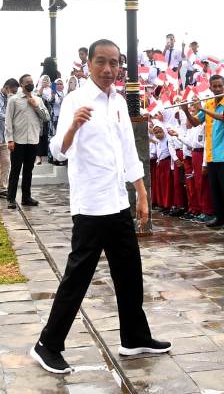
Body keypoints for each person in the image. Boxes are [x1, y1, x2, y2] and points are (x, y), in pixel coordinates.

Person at [31, 38, 170, 374]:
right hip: (91, 205)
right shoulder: (76, 100)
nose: (109, 70)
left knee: (130, 273)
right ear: (89, 63)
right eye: (102, 62)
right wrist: (74, 127)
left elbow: (127, 149)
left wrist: (141, 191)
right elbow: (58, 150)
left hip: (118, 201)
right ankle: (47, 345)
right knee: (78, 277)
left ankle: (134, 338)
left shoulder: (119, 102)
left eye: (115, 63)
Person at [181, 75, 224, 229]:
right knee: (215, 188)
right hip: (211, 153)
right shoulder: (209, 102)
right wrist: (186, 111)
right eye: (214, 86)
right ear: (210, 88)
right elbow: (194, 123)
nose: (217, 89)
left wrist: (202, 108)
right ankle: (219, 216)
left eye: (220, 86)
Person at [5, 74, 50, 209]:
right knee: (15, 170)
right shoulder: (14, 100)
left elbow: (46, 117)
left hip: (33, 140)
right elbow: (8, 121)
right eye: (27, 82)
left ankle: (26, 197)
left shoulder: (38, 99)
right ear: (21, 84)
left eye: (31, 81)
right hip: (18, 141)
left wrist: (36, 106)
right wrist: (10, 140)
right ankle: (11, 199)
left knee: (28, 170)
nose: (30, 84)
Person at [0, 79, 19, 198]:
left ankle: (2, 188)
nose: (13, 93)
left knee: (6, 163)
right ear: (6, 87)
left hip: (5, 137)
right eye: (12, 91)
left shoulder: (11, 100)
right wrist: (9, 116)